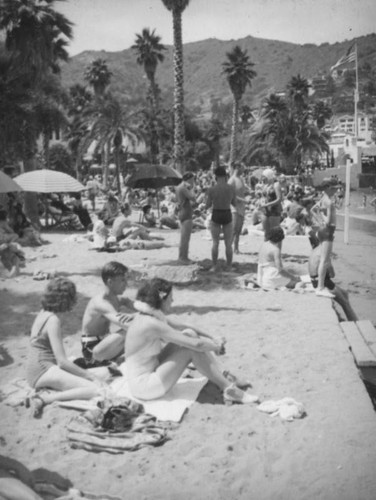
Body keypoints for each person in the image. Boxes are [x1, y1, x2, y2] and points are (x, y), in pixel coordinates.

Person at [125, 278, 259, 404]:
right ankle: (229, 389)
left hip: (151, 368)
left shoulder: (148, 315)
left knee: (189, 334)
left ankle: (226, 375)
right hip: (145, 387)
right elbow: (197, 344)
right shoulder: (151, 323)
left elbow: (184, 326)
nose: (172, 301)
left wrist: (212, 337)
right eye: (170, 298)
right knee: (191, 350)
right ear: (162, 299)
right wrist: (215, 347)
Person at [26, 278, 103, 418]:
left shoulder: (43, 312)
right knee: (95, 389)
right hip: (42, 370)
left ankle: (47, 393)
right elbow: (62, 361)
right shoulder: (53, 320)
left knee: (85, 372)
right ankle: (44, 399)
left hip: (34, 368)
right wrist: (90, 376)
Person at [80, 261, 135, 366]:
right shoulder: (101, 303)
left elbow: (138, 305)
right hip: (93, 352)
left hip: (106, 345)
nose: (126, 284)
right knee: (129, 331)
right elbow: (124, 323)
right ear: (110, 282)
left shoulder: (117, 299)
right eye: (122, 280)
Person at [308, 231, 358, 321]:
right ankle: (356, 323)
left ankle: (350, 318)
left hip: (315, 280)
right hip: (323, 282)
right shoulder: (324, 251)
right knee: (345, 303)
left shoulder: (315, 249)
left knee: (345, 293)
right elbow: (332, 274)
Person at [310, 180, 338, 298]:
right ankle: (320, 287)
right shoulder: (329, 202)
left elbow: (312, 210)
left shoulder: (322, 199)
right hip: (327, 231)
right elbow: (328, 222)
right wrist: (322, 215)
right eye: (334, 188)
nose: (336, 190)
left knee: (324, 259)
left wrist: (319, 218)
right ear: (327, 187)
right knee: (324, 260)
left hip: (322, 231)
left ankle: (320, 286)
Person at [205, 166, 236, 270]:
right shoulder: (231, 188)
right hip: (227, 213)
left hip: (216, 213)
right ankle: (229, 266)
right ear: (226, 176)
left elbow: (208, 205)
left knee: (215, 242)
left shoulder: (212, 189)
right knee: (228, 244)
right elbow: (234, 203)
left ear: (216, 177)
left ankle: (214, 265)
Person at [257, 226, 300, 290]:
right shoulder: (275, 250)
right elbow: (280, 270)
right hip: (271, 278)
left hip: (261, 279)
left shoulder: (264, 245)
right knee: (298, 282)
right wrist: (293, 277)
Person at [228, 163, 249, 254]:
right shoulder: (231, 180)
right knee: (233, 229)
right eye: (242, 168)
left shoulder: (241, 179)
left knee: (238, 230)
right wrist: (243, 200)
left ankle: (236, 249)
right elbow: (230, 196)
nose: (244, 170)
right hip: (234, 208)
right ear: (237, 168)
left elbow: (242, 192)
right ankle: (228, 248)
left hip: (241, 207)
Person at [175, 172, 196, 264]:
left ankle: (182, 256)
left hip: (182, 212)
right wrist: (192, 188)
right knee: (185, 238)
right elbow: (193, 197)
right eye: (193, 179)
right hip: (186, 213)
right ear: (189, 179)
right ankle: (183, 258)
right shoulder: (183, 188)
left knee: (184, 237)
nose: (194, 181)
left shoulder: (179, 187)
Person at [259, 168, 283, 239]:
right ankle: (267, 248)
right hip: (265, 211)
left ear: (268, 176)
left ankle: (275, 249)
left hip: (274, 211)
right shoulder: (265, 185)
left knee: (275, 233)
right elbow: (263, 197)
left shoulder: (276, 185)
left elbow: (279, 199)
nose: (262, 179)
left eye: (264, 177)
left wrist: (267, 204)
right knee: (266, 233)